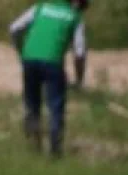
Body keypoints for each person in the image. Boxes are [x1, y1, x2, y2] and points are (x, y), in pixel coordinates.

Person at [9, 0, 89, 156]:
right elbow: (79, 52)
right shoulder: (74, 16)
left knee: (32, 102)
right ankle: (55, 150)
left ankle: (34, 144)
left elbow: (14, 28)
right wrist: (79, 80)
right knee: (55, 106)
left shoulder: (41, 7)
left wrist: (21, 51)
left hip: (29, 58)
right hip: (53, 62)